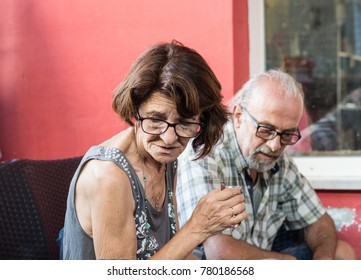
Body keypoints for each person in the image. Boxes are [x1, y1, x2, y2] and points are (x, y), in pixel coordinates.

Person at [59, 40, 247, 260]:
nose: (168, 138)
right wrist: (198, 228)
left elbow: (171, 252)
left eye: (185, 123)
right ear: (134, 111)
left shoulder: (163, 158)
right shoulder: (108, 177)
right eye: (156, 120)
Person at [176, 69, 357, 260]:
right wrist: (287, 263)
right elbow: (220, 253)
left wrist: (323, 261)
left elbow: (319, 222)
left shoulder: (277, 158)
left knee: (340, 253)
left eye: (287, 134)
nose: (275, 145)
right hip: (217, 269)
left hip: (263, 260)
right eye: (266, 130)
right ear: (238, 116)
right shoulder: (204, 155)